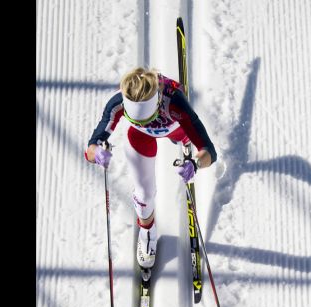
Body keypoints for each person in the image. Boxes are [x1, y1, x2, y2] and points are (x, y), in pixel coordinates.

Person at [85, 67, 217, 268]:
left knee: (187, 138)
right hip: (141, 138)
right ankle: (147, 232)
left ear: (157, 103)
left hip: (178, 131)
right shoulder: (117, 103)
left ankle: (183, 147)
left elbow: (210, 152)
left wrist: (196, 163)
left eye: (146, 118)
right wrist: (97, 153)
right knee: (144, 193)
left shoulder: (175, 102)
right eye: (136, 120)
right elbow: (91, 147)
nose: (146, 122)